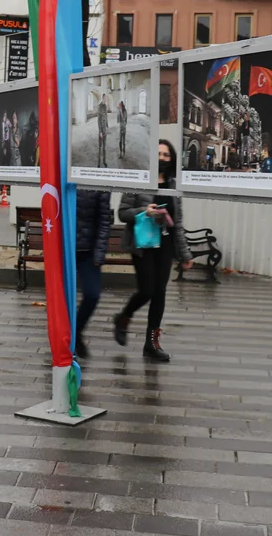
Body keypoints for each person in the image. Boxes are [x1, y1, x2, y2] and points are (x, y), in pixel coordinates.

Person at [114, 139, 193, 362]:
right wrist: (144, 211)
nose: (162, 158)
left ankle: (152, 343)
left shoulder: (173, 185)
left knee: (160, 293)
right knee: (147, 290)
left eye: (166, 155)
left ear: (172, 158)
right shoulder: (139, 178)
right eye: (158, 154)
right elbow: (123, 213)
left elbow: (177, 222)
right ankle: (124, 317)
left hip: (165, 245)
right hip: (143, 244)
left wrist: (185, 254)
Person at [74, 188, 112, 360]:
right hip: (63, 249)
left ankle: (76, 332)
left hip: (87, 251)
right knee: (60, 299)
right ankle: (63, 340)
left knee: (92, 294)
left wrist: (99, 253)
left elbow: (105, 220)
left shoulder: (98, 180)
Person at [96, 96, 110, 167]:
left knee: (104, 147)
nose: (106, 99)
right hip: (101, 130)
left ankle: (104, 161)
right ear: (103, 98)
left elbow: (106, 116)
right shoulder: (100, 106)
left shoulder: (105, 106)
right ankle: (98, 163)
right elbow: (98, 120)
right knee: (100, 147)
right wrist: (100, 131)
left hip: (105, 129)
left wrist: (107, 126)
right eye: (105, 98)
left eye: (106, 98)